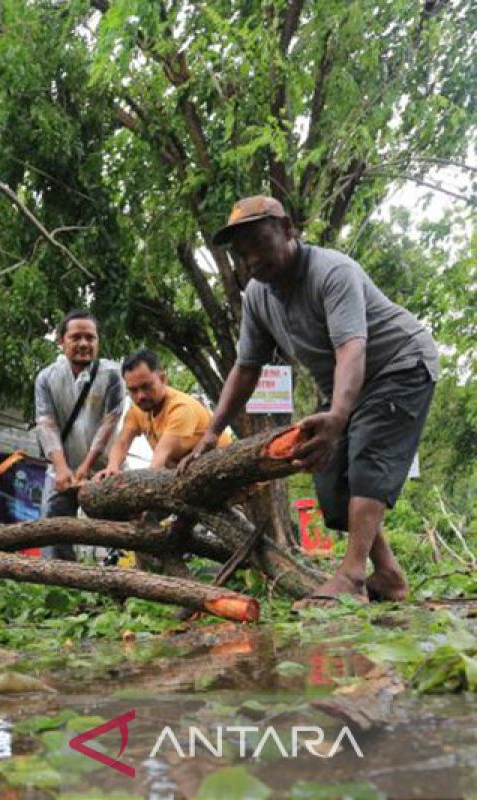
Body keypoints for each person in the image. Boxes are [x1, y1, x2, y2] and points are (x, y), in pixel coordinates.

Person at [179, 195, 439, 607]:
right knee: (330, 476)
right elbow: (246, 369)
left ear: (287, 230)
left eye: (258, 243)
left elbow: (351, 350)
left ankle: (353, 577)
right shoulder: (259, 298)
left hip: (398, 364)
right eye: (241, 253)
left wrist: (338, 415)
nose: (250, 260)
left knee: (367, 458)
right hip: (344, 382)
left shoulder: (332, 272)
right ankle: (388, 575)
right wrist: (212, 432)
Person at [34, 310, 126, 559]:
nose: (84, 343)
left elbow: (110, 422)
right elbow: (46, 423)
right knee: (54, 533)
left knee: (118, 535)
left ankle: (121, 589)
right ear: (61, 341)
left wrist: (86, 467)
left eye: (90, 337)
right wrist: (62, 468)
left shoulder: (113, 375)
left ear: (98, 341)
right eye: (76, 337)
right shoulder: (46, 378)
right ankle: (60, 588)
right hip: (61, 471)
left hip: (106, 469)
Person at [94, 349, 231, 477]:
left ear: (163, 379)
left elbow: (159, 460)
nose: (140, 396)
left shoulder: (181, 408)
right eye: (133, 390)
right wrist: (112, 467)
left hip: (224, 471)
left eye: (146, 386)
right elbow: (122, 443)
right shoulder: (137, 409)